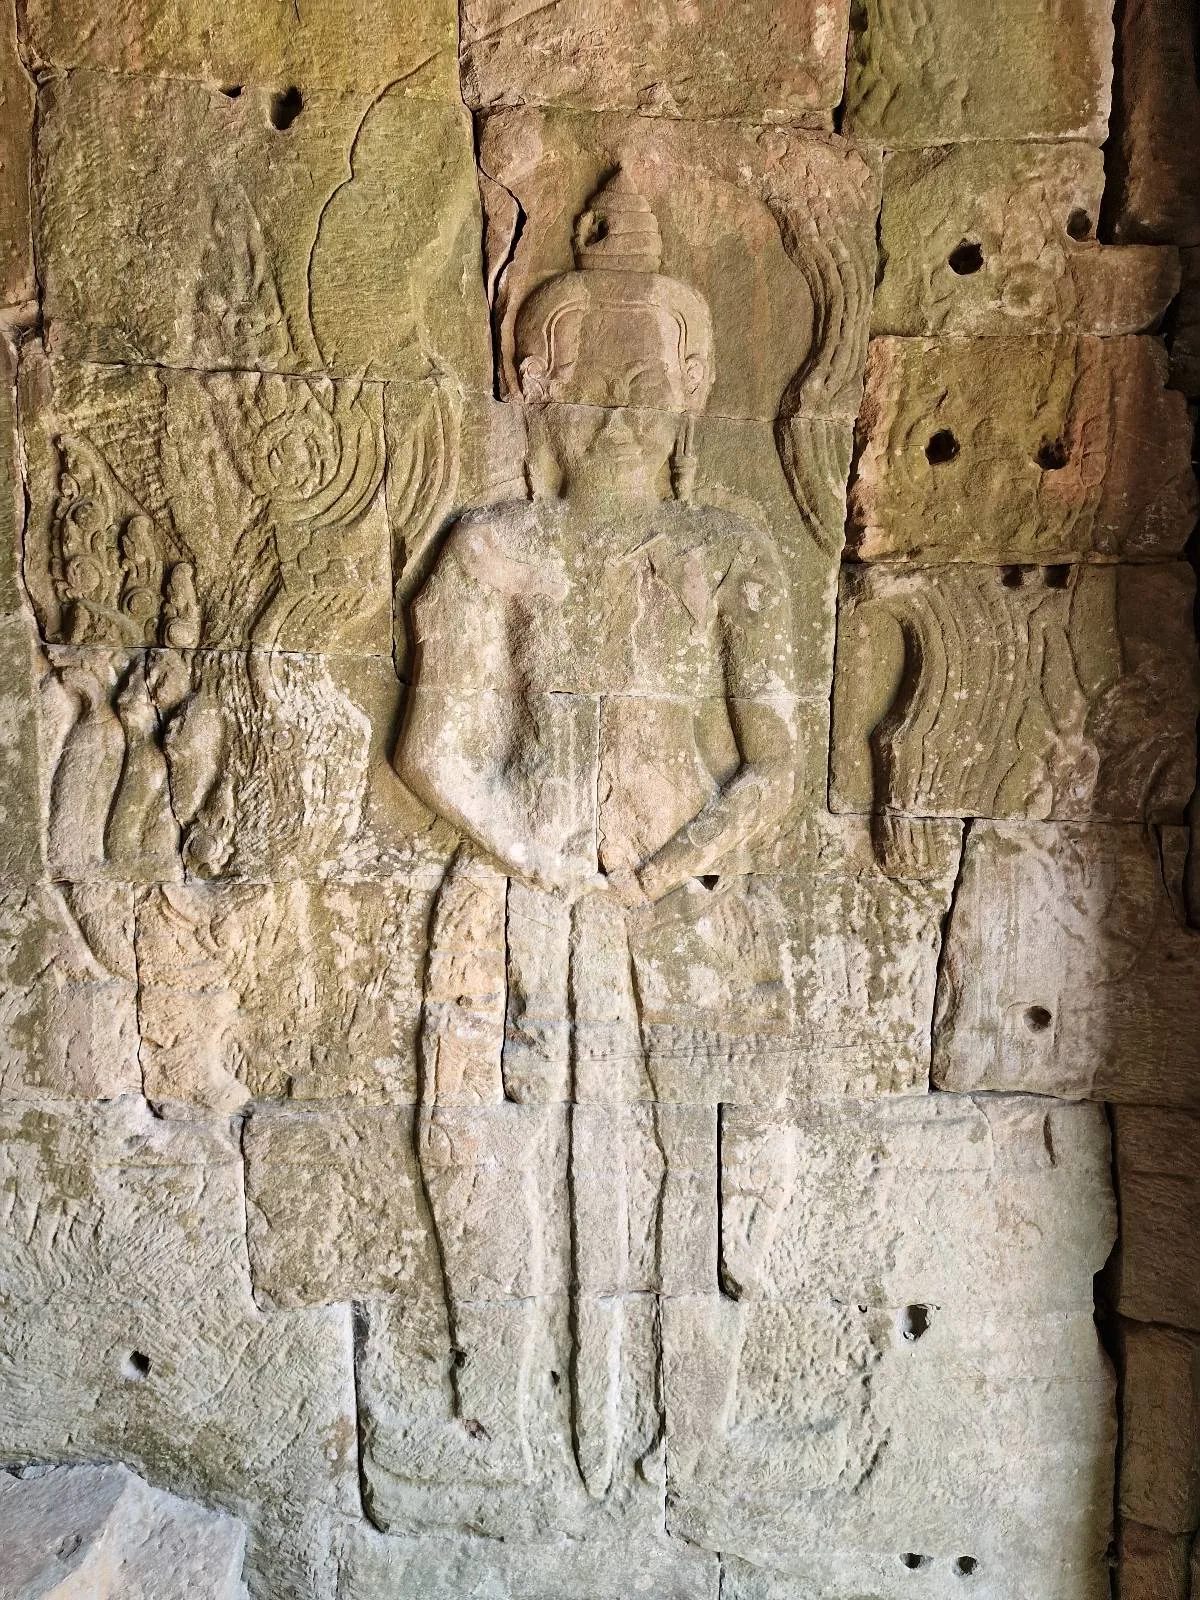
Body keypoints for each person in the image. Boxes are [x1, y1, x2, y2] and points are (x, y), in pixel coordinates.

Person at [395, 170, 798, 1502]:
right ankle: (506, 1425)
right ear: (542, 389)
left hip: (687, 892)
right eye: (597, 375)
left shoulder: (732, 551)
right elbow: (434, 748)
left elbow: (776, 761)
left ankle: (690, 1440)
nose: (624, 406)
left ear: (694, 388)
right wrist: (539, 850)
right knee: (500, 1149)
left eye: (651, 373)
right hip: (528, 884)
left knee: (705, 1150)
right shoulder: (495, 549)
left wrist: (681, 859)